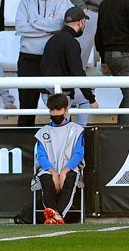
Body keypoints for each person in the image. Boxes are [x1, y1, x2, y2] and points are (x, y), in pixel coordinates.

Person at [14, 0, 72, 126]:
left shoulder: (62, 1)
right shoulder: (26, 1)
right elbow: (20, 27)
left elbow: (60, 25)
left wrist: (34, 22)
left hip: (52, 60)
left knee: (57, 104)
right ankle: (24, 143)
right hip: (28, 59)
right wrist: (47, 28)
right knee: (26, 106)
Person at [35, 93, 86, 225]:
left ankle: (57, 216)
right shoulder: (43, 132)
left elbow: (79, 154)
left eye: (58, 109)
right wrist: (53, 172)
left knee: (70, 179)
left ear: (66, 110)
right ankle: (56, 217)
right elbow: (41, 156)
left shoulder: (76, 130)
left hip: (69, 167)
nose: (55, 113)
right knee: (46, 181)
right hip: (48, 169)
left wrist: (64, 171)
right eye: (52, 110)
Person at [41, 6, 97, 115]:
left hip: (47, 93)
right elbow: (77, 72)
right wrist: (92, 99)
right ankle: (81, 129)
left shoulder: (52, 39)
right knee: (86, 99)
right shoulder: (71, 42)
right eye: (84, 23)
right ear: (80, 22)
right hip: (61, 94)